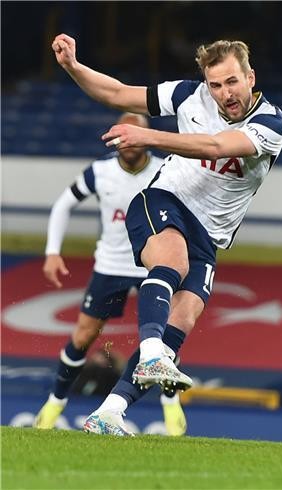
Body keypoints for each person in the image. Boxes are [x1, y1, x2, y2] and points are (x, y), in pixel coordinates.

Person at [52, 33, 282, 435]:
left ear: (250, 77)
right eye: (215, 85)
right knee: (171, 264)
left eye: (232, 81)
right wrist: (73, 67)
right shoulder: (187, 95)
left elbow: (215, 146)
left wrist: (149, 136)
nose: (224, 93)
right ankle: (149, 352)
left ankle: (109, 412)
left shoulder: (270, 123)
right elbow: (118, 93)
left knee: (183, 319)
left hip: (209, 236)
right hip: (164, 200)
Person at [33, 113, 188, 436]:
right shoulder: (100, 171)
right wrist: (52, 252)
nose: (127, 142)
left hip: (152, 263)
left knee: (164, 331)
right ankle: (54, 402)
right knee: (84, 335)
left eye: (135, 134)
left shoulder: (165, 169)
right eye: (121, 135)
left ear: (146, 137)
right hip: (110, 265)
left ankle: (171, 406)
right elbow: (63, 205)